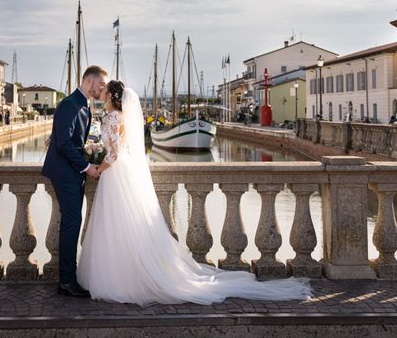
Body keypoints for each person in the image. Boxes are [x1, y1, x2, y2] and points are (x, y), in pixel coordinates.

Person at [77, 80, 312, 306]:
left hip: (115, 173)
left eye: (104, 90)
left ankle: (117, 277)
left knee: (114, 226)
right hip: (122, 173)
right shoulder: (122, 118)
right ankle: (127, 275)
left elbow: (114, 153)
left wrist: (97, 168)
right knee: (126, 226)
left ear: (111, 97)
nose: (101, 92)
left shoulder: (111, 118)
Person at [42, 65, 108, 298]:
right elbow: (63, 143)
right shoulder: (70, 104)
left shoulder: (83, 105)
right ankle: (67, 281)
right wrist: (86, 165)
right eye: (101, 84)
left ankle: (68, 278)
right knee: (71, 224)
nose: (103, 88)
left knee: (73, 223)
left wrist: (90, 153)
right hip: (64, 172)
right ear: (89, 82)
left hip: (72, 172)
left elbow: (74, 141)